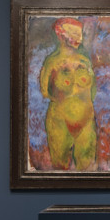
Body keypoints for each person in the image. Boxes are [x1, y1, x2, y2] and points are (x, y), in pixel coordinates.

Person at [38, 17, 98, 170]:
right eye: (73, 33)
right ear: (61, 34)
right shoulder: (51, 62)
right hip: (60, 121)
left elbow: (93, 91)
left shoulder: (85, 61)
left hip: (86, 121)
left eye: (78, 33)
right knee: (60, 167)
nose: (78, 37)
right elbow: (45, 92)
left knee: (87, 166)